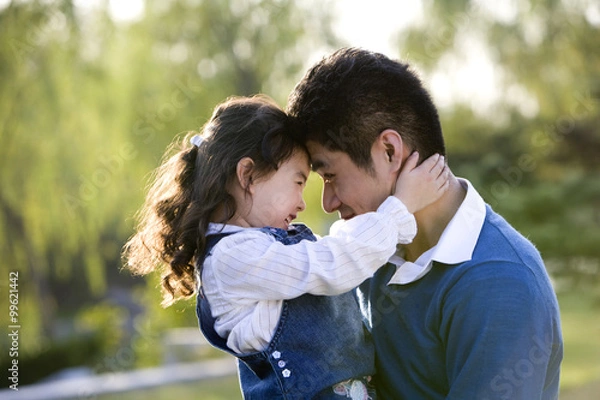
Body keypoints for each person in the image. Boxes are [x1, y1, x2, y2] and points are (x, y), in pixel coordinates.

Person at [123, 95, 450, 399]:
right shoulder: (231, 258)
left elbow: (338, 255)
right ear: (248, 175)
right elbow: (330, 263)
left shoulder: (264, 245)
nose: (302, 203)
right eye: (298, 182)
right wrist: (400, 208)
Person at [287, 47, 564, 400]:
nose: (327, 203)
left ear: (389, 151)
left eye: (330, 175)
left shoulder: (501, 284)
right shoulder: (362, 249)